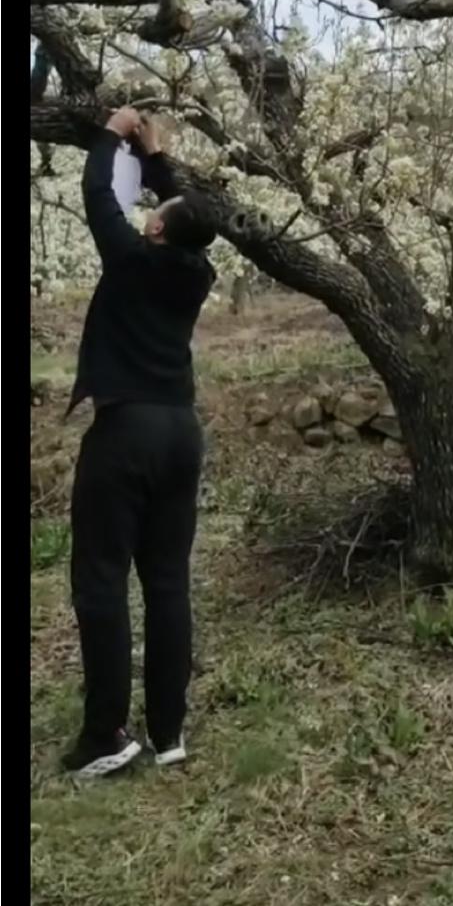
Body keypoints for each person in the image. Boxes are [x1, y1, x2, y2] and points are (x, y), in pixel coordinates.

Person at [64, 107, 216, 778]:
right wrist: (158, 158)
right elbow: (192, 217)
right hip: (181, 433)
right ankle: (169, 730)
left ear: (154, 225)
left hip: (125, 431)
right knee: (167, 582)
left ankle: (106, 734)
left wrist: (110, 131)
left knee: (100, 577)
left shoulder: (130, 261)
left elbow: (98, 195)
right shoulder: (196, 273)